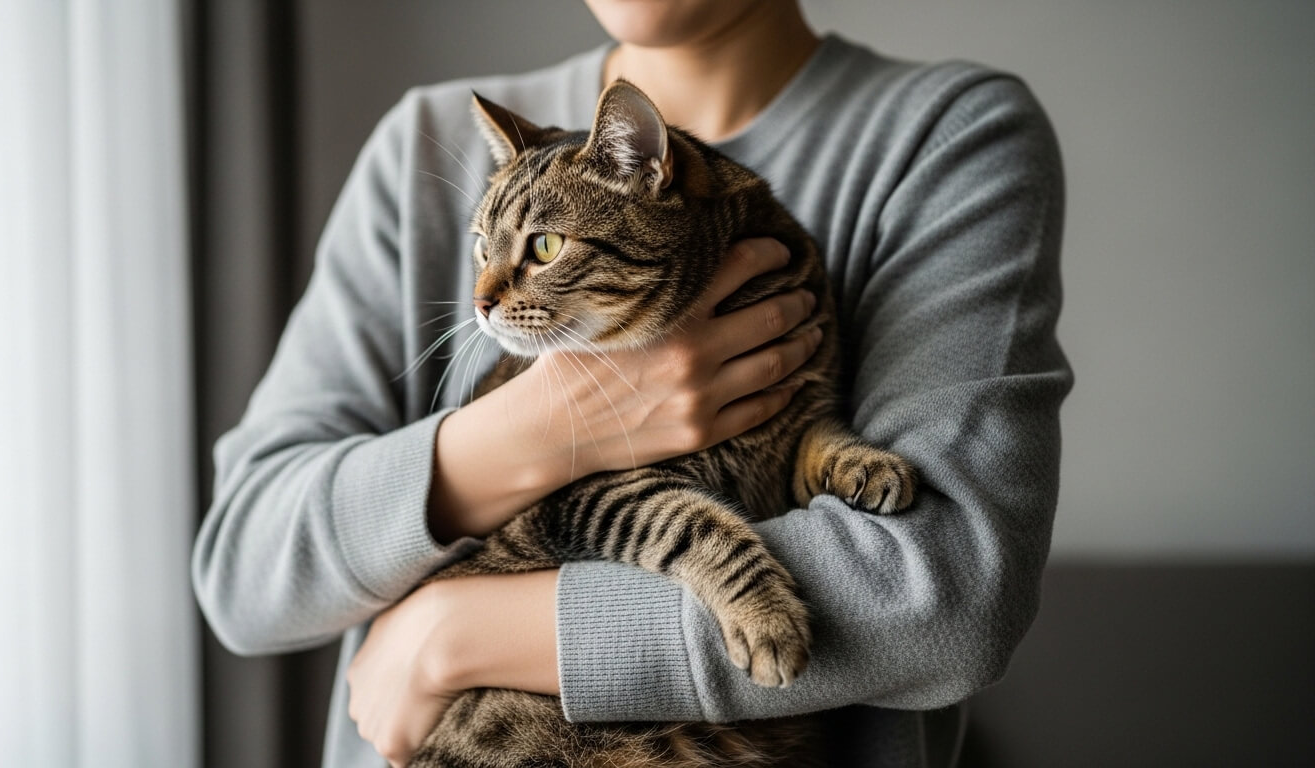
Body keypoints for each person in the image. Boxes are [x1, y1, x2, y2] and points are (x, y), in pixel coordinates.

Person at [191, 1, 1071, 766]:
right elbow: (242, 570)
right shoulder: (427, 144)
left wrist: (449, 637)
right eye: (486, 257)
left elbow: (947, 601)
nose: (486, 301)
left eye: (535, 252)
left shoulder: (946, 135)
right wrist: (540, 427)